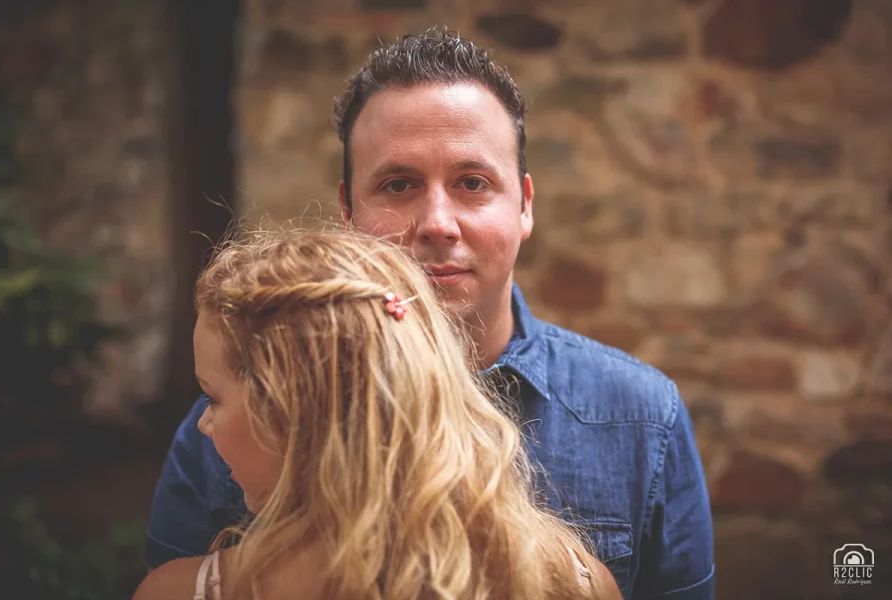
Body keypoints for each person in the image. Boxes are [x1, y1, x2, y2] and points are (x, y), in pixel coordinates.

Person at [146, 29, 715, 600]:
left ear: (524, 205)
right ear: (347, 210)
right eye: (398, 185)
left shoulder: (641, 418)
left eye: (473, 183)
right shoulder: (225, 427)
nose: (437, 222)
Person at [133, 229, 622, 599]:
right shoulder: (574, 580)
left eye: (213, 397)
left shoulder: (182, 592)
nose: (204, 423)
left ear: (291, 410)